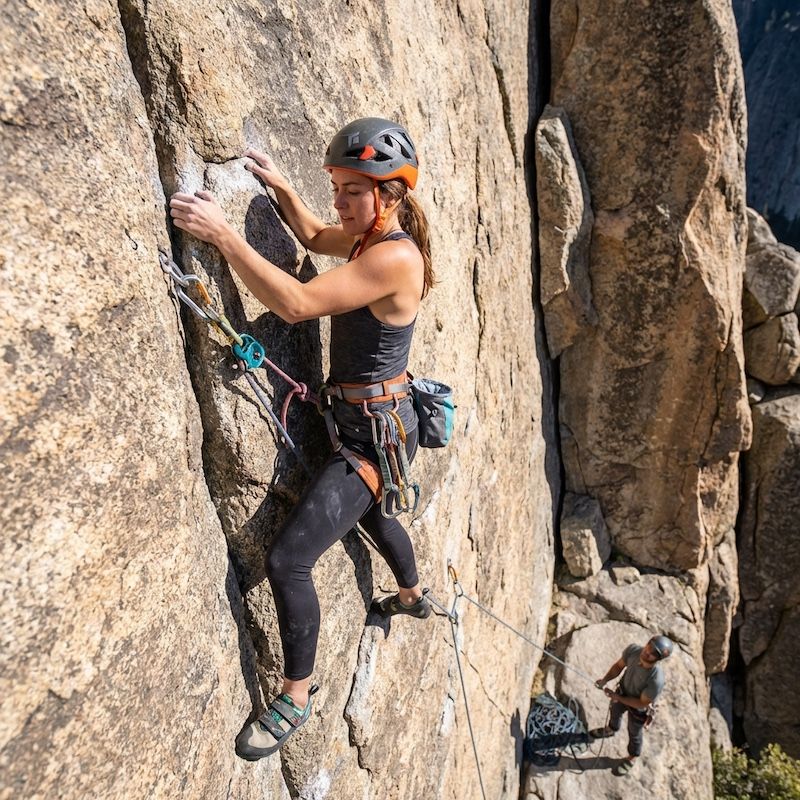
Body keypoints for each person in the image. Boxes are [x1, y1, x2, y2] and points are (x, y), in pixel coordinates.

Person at [169, 118, 435, 760]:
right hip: (362, 424)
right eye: (337, 187)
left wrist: (225, 235)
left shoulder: (395, 256)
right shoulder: (372, 236)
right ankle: (412, 595)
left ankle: (296, 693)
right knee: (374, 512)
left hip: (368, 443)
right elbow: (317, 235)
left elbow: (294, 303)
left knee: (289, 560)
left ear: (390, 194)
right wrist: (285, 189)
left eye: (351, 190)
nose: (339, 203)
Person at [591, 634, 674, 776]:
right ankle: (611, 729)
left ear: (658, 659)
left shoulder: (656, 679)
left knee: (634, 731)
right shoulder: (634, 650)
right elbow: (618, 666)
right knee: (615, 710)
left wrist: (618, 697)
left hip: (639, 707)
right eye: (650, 646)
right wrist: (605, 680)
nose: (648, 652)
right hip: (623, 691)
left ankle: (633, 756)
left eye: (654, 653)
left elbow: (642, 702)